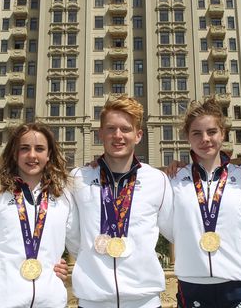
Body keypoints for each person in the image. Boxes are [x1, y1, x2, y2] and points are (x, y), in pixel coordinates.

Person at [69, 95, 174, 308]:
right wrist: (92, 254)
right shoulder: (79, 177)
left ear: (138, 135)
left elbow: (175, 230)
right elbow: (71, 234)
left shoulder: (157, 179)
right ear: (100, 134)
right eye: (110, 129)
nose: (118, 136)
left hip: (144, 301)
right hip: (93, 301)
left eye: (125, 129)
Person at [169, 97, 241, 308]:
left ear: (223, 134)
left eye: (211, 132)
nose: (205, 139)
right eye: (196, 133)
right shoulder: (175, 179)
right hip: (193, 283)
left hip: (238, 283)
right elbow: (168, 226)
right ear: (187, 138)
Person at [0, 123, 78, 308]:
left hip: (50, 301)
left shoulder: (64, 195)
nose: (32, 155)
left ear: (48, 154)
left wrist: (67, 268)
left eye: (39, 149)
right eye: (24, 148)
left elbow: (80, 246)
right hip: (3, 301)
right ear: (14, 153)